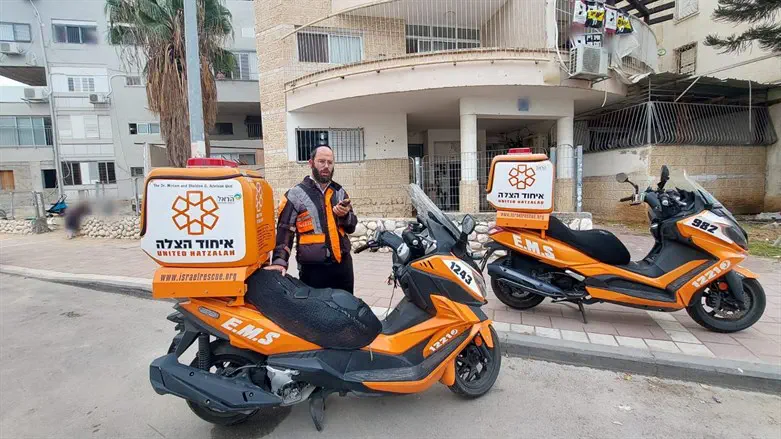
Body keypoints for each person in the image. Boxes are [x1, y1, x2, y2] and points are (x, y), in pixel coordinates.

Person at [265, 145, 358, 294]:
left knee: (346, 310)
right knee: (316, 313)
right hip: (313, 270)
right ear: (311, 163)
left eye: (330, 162)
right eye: (321, 161)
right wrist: (279, 262)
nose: (326, 166)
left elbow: (351, 227)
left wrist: (345, 216)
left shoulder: (340, 192)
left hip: (343, 267)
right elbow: (285, 231)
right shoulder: (295, 195)